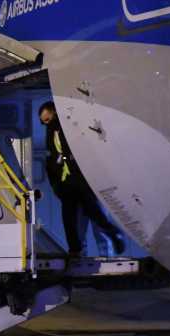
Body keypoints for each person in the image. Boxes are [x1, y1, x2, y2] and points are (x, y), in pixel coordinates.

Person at [39, 101, 125, 257]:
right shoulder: (53, 132)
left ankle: (110, 237)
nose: (46, 124)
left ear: (54, 113)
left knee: (91, 214)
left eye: (47, 119)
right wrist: (56, 184)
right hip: (68, 183)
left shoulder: (66, 127)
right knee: (73, 219)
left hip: (80, 180)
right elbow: (52, 160)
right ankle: (78, 250)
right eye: (43, 121)